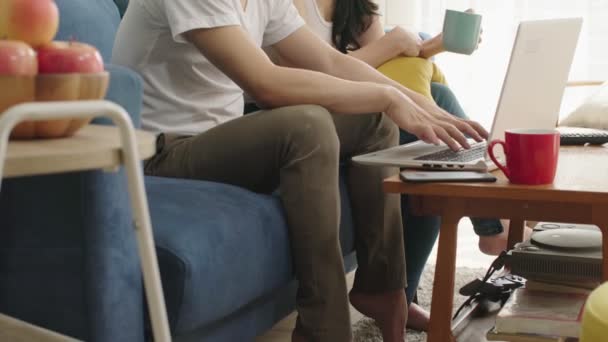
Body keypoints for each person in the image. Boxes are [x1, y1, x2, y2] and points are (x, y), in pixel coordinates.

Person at [112, 0, 487, 341]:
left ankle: (383, 287)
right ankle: (325, 331)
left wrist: (416, 101)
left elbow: (330, 61)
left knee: (373, 122)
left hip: (218, 142)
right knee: (308, 126)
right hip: (159, 154)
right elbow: (265, 83)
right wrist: (388, 97)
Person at [285, 0, 532, 331]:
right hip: (307, 107)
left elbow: (375, 68)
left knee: (437, 99)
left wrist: (434, 45)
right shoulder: (288, 6)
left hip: (349, 103)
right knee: (426, 127)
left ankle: (404, 292)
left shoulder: (355, 5)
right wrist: (392, 45)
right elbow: (312, 71)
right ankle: (492, 225)